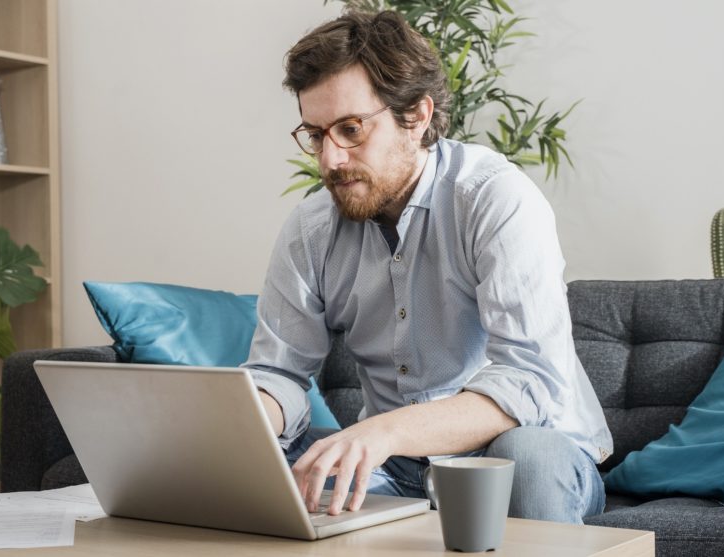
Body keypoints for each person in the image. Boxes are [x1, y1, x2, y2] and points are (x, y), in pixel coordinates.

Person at [242, 9, 612, 524]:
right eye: (316, 134)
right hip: (395, 467)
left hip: (519, 452)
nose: (329, 160)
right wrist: (242, 422)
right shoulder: (311, 229)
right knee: (270, 469)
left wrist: (382, 431)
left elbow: (528, 382)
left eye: (350, 129)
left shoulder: (494, 198)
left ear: (415, 115)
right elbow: (278, 371)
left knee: (529, 456)